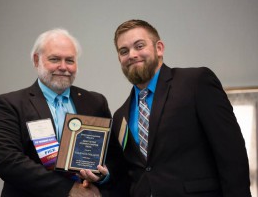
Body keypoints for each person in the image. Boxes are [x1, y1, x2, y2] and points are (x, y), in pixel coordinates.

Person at [105, 19, 252, 197]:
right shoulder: (121, 115)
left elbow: (231, 154)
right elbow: (130, 173)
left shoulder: (196, 82)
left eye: (139, 46)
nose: (132, 55)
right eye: (124, 51)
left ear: (159, 48)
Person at [0, 28, 110, 197]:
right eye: (54, 59)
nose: (63, 67)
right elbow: (8, 162)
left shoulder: (95, 102)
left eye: (70, 60)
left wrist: (102, 177)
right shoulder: (12, 104)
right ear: (36, 60)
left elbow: (113, 156)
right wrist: (68, 189)